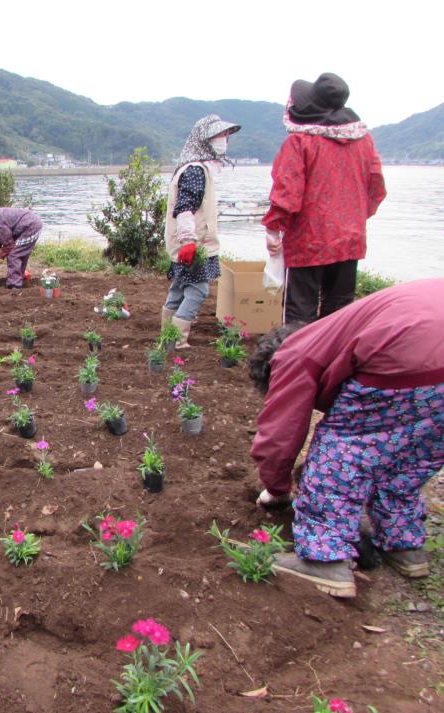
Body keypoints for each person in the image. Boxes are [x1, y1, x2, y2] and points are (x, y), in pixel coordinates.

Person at [249, 279, 444, 598]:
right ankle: (404, 545)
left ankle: (324, 559)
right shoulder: (340, 328)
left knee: (341, 451)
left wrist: (277, 488)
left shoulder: (294, 353)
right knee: (408, 459)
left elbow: (279, 438)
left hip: (412, 350)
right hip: (428, 345)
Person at [263, 72, 386, 325]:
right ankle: (332, 362)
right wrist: (352, 218)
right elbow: (376, 188)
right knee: (339, 313)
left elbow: (287, 192)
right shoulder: (364, 141)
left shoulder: (300, 142)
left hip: (309, 241)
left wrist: (274, 229)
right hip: (349, 239)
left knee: (300, 313)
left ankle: (297, 362)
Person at [161, 114, 241, 348]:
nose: (225, 139)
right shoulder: (195, 170)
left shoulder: (195, 168)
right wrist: (188, 241)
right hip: (194, 244)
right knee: (198, 290)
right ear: (204, 140)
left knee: (178, 288)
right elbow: (185, 207)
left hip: (189, 242)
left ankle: (168, 337)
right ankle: (177, 340)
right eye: (220, 135)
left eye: (226, 134)